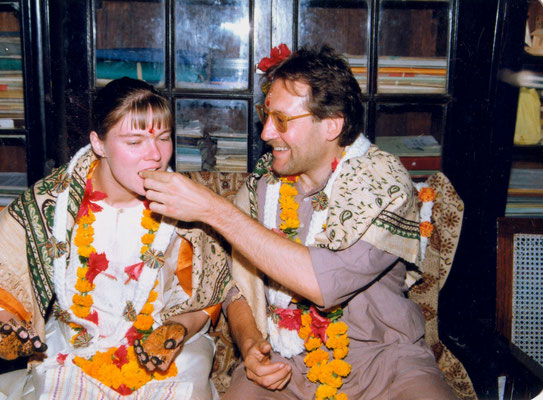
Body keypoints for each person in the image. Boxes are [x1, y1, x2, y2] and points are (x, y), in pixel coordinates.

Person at [139, 46, 457, 399]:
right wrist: (249, 345)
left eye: (282, 121)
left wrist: (214, 209)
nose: (266, 134)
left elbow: (325, 285)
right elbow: (236, 287)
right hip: (284, 363)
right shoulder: (262, 186)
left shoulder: (383, 184)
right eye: (266, 115)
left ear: (332, 125)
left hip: (388, 365)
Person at [0, 77, 233, 399]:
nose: (155, 156)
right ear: (99, 143)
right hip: (75, 339)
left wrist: (177, 330)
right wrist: (5, 322)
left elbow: (207, 291)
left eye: (163, 138)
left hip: (166, 344)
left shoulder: (186, 203)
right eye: (134, 142)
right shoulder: (54, 200)